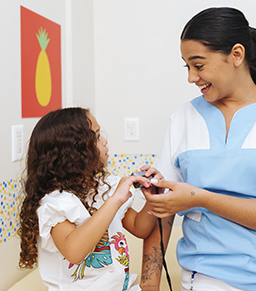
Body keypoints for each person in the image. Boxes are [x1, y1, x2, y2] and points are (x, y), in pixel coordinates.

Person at [140, 7, 256, 291]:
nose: (191, 77)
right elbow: (161, 212)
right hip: (207, 279)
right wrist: (148, 284)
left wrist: (200, 198)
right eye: (186, 66)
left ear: (237, 55)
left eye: (198, 65)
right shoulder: (183, 120)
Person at [18, 107, 162, 291]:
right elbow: (74, 251)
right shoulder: (55, 203)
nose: (104, 141)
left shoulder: (104, 188)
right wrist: (116, 199)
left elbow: (139, 228)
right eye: (97, 136)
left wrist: (153, 198)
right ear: (74, 152)